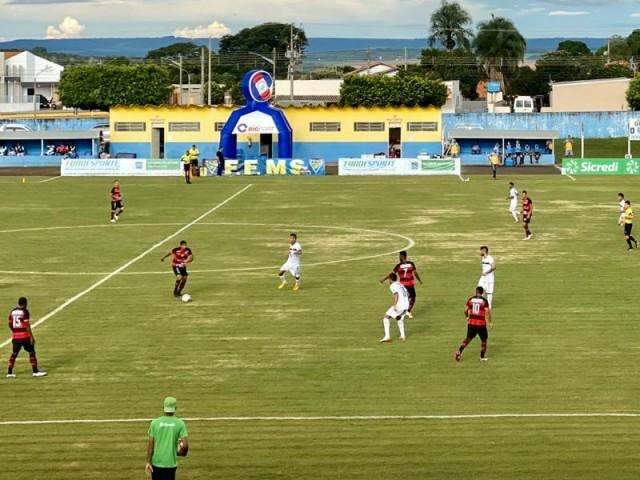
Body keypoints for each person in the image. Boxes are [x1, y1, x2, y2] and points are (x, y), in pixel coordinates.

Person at [145, 396, 189, 480]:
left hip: (156, 463)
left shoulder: (154, 423)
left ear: (164, 407)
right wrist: (182, 453)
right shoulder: (180, 424)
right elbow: (185, 445)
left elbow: (151, 445)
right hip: (171, 464)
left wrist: (148, 461)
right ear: (175, 408)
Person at [6, 297, 47, 378]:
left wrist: (14, 331)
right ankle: (35, 371)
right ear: (25, 303)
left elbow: (10, 323)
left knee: (14, 353)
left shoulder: (13, 311)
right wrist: (31, 337)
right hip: (24, 336)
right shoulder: (25, 312)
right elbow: (27, 325)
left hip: (15, 336)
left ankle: (9, 372)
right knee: (31, 352)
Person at [379, 251, 422, 319]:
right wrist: (419, 280)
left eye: (399, 256)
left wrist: (384, 279)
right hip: (410, 284)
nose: (399, 257)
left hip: (403, 285)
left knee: (404, 298)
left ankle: (401, 312)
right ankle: (407, 311)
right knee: (412, 298)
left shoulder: (398, 266)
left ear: (402, 256)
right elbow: (415, 273)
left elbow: (391, 274)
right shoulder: (411, 264)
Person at [454, 286, 492, 362]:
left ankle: (459, 351)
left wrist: (467, 317)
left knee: (468, 339)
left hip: (471, 323)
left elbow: (465, 310)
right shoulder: (484, 301)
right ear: (482, 292)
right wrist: (490, 322)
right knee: (484, 341)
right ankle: (482, 357)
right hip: (481, 324)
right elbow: (487, 312)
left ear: (476, 291)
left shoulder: (471, 300)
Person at [380, 272, 410, 343]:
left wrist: (395, 305)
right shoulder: (400, 284)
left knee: (386, 317)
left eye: (388, 279)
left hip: (400, 305)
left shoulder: (393, 285)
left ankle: (387, 337)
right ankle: (402, 336)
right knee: (399, 318)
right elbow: (408, 294)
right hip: (406, 305)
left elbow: (396, 294)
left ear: (390, 279)